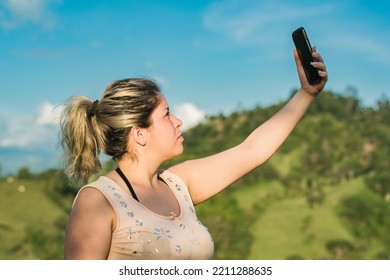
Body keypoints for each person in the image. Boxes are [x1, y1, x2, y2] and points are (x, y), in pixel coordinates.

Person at [60, 47, 327, 260]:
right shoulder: (97, 202)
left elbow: (252, 150)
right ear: (139, 133)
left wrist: (306, 93)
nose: (178, 121)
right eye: (166, 114)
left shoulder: (179, 183)